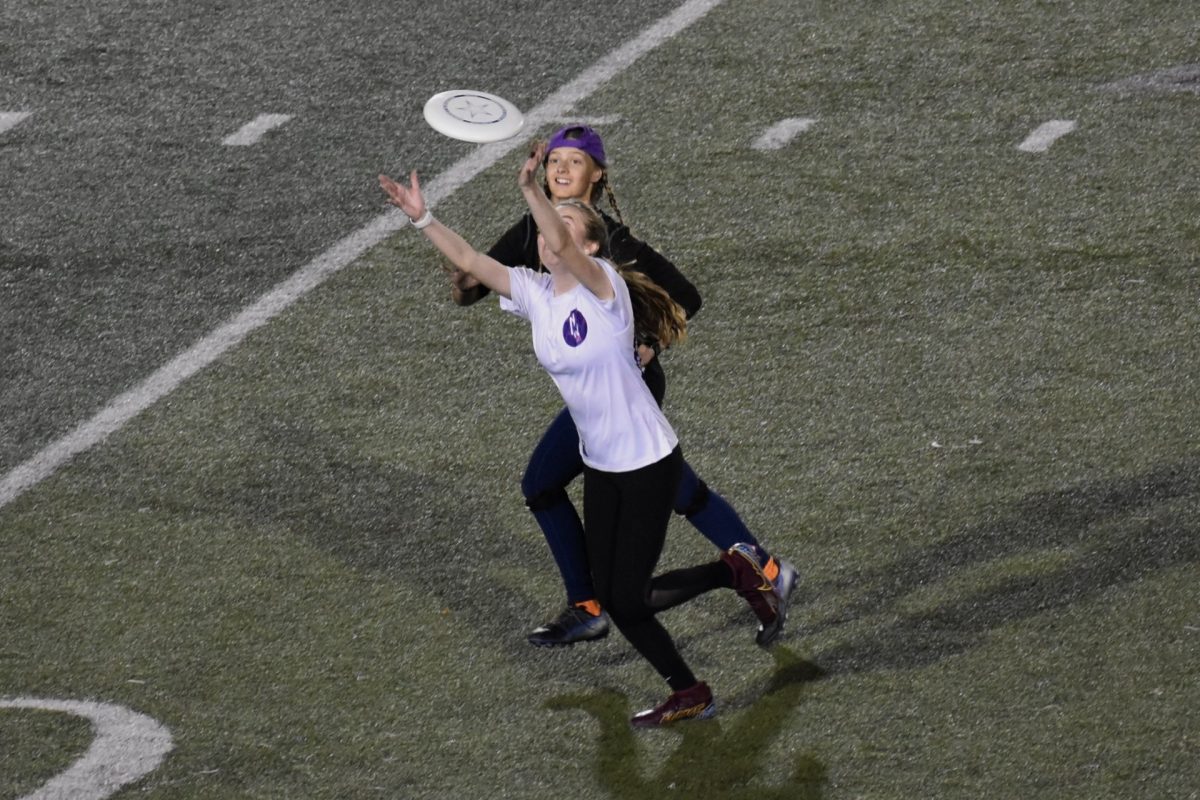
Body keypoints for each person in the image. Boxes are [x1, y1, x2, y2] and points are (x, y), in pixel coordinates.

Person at [378, 149, 782, 726]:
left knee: (629, 598)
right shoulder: (536, 295)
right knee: (617, 599)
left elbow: (562, 245)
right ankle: (702, 656)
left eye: (565, 226)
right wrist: (422, 217)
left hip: (647, 461)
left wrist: (530, 191)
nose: (550, 237)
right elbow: (469, 258)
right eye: (546, 228)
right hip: (602, 465)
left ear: (590, 245)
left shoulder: (604, 287)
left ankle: (723, 601)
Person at [448, 125, 797, 648]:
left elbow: (686, 294)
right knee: (672, 488)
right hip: (594, 394)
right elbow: (469, 289)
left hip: (629, 385)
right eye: (554, 162)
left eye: (574, 162)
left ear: (597, 175)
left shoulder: (609, 240)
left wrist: (651, 341)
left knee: (564, 484)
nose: (561, 170)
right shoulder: (532, 230)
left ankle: (594, 606)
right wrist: (457, 266)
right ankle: (763, 568)